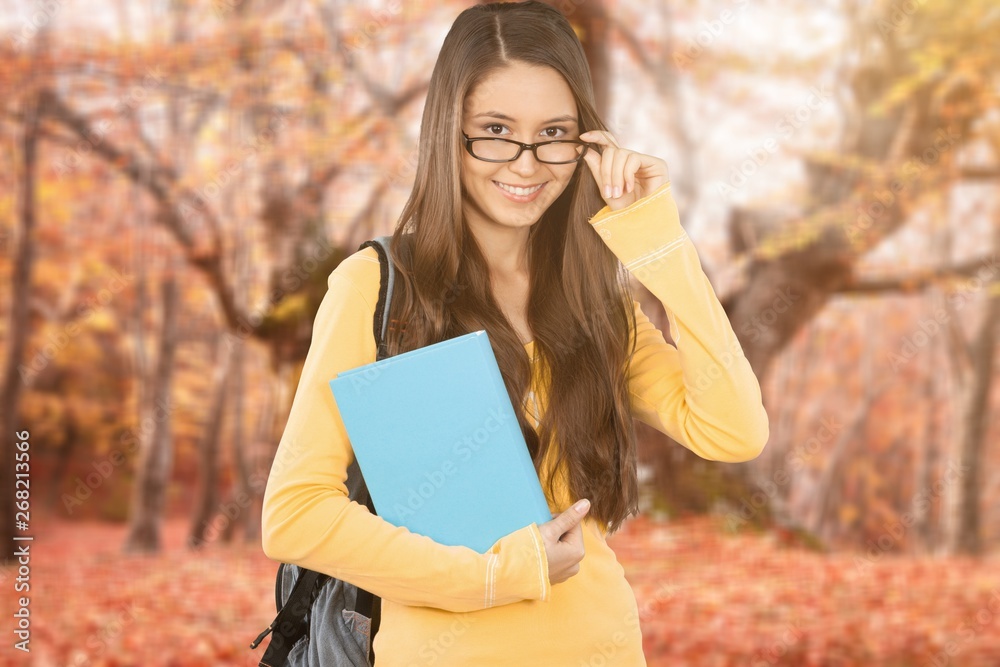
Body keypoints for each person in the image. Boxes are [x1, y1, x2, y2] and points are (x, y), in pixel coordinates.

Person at [260, 1, 769, 665]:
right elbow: (295, 514)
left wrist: (657, 239)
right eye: (495, 130)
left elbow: (733, 428)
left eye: (554, 132)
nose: (527, 164)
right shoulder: (380, 288)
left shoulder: (594, 302)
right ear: (449, 131)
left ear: (586, 142)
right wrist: (496, 576)